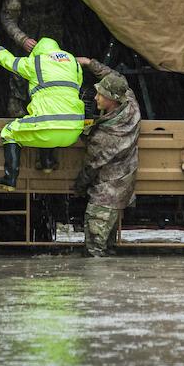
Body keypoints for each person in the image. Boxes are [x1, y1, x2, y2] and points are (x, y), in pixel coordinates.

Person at [0, 36, 85, 190]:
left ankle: (10, 179)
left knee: (10, 131)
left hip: (47, 127)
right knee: (47, 126)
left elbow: (10, 62)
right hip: (74, 130)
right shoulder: (74, 64)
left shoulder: (36, 62)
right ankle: (47, 163)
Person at [72, 58, 140, 257]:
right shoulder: (131, 105)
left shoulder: (105, 137)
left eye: (100, 95)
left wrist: (78, 188)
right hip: (120, 188)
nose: (95, 98)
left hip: (105, 195)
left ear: (111, 99)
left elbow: (90, 168)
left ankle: (99, 287)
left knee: (94, 252)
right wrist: (90, 63)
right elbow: (116, 78)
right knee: (106, 250)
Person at [0, 0, 67, 117]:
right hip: (24, 30)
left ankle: (50, 106)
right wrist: (22, 39)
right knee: (19, 67)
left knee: (51, 68)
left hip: (50, 30)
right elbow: (8, 19)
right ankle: (16, 106)